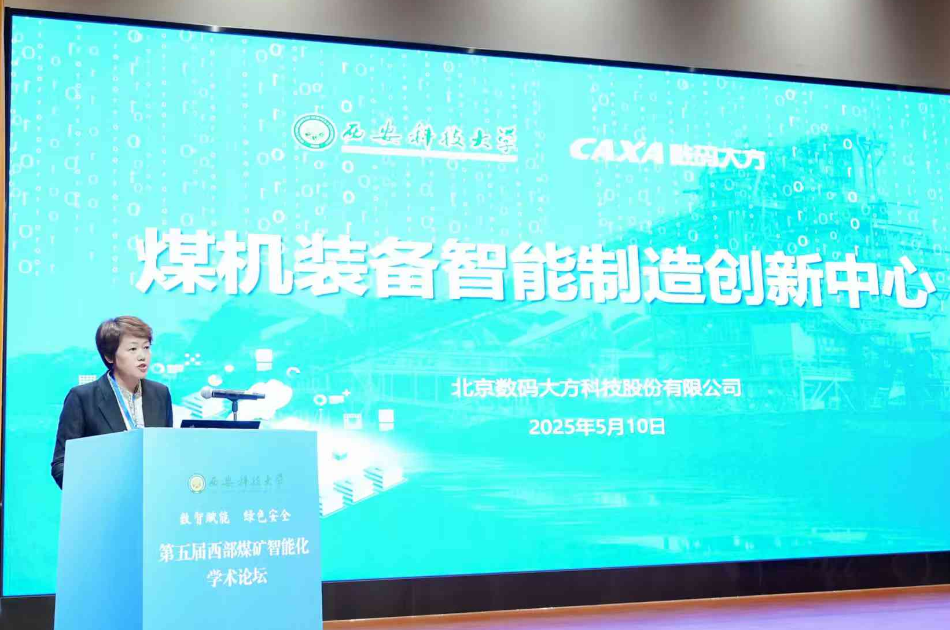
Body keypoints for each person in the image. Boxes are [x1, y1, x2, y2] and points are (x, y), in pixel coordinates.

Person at [50, 316, 173, 489]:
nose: (142, 356)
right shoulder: (82, 398)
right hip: (103, 497)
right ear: (109, 356)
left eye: (146, 347)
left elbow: (166, 453)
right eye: (133, 349)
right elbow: (61, 464)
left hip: (154, 497)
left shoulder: (160, 393)